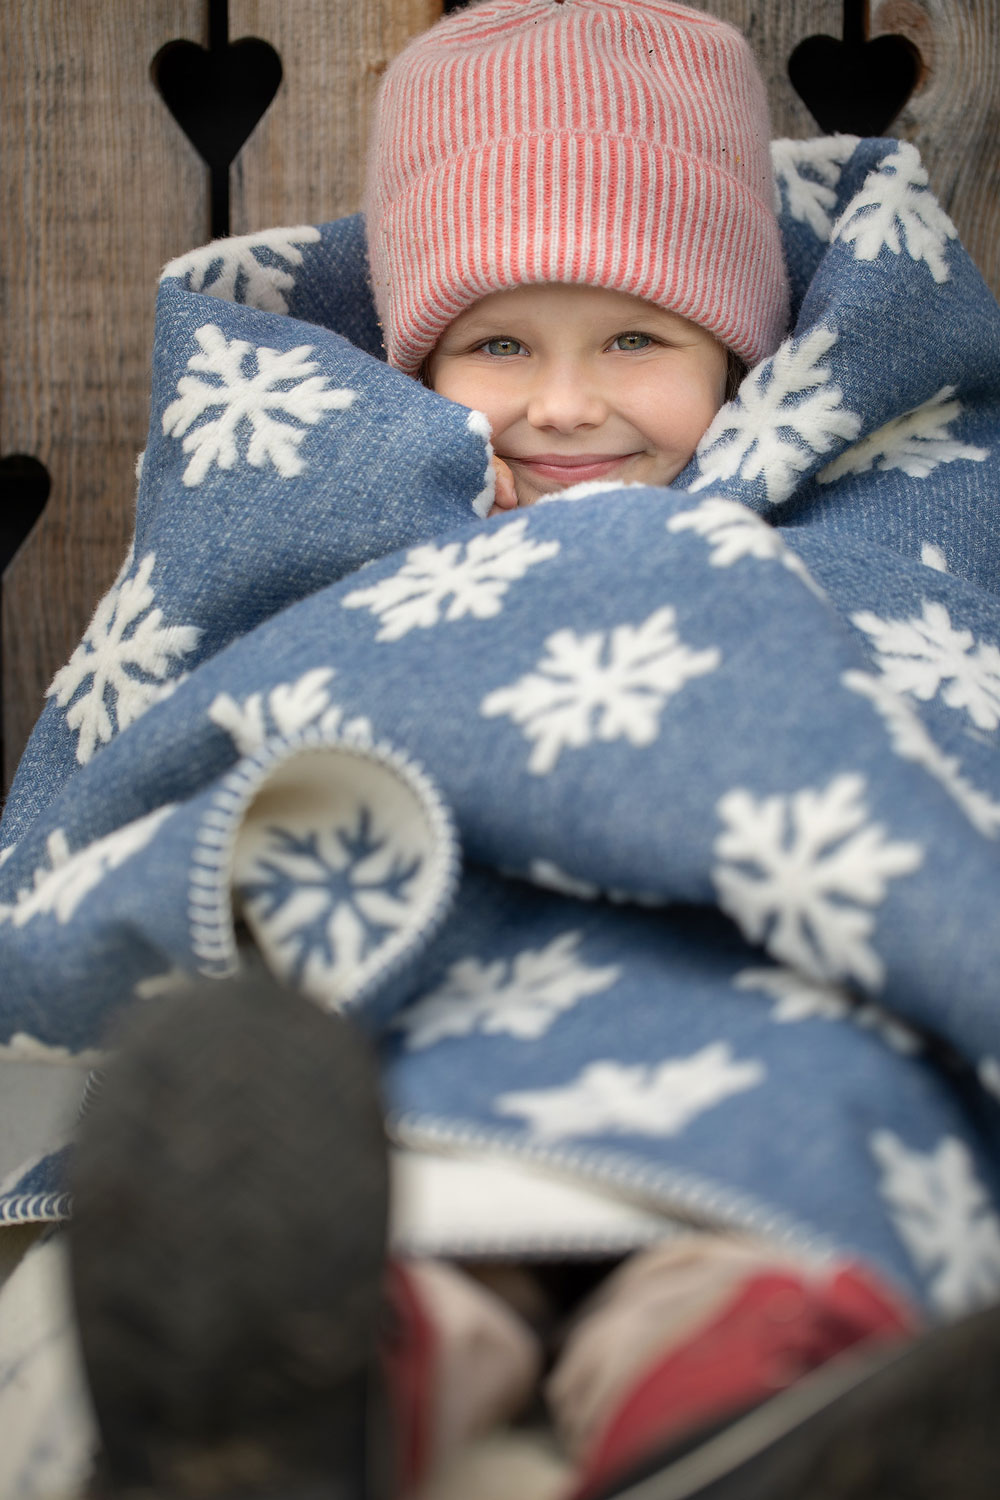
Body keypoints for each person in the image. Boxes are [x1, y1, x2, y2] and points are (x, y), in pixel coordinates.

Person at [351, 2, 915, 1495]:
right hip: (447, 992)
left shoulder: (858, 519)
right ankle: (373, 1344)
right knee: (404, 1160)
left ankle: (724, 1370)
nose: (564, 403)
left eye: (635, 337)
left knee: (767, 1154)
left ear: (735, 353)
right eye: (495, 342)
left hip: (756, 1000)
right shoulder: (351, 542)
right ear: (413, 368)